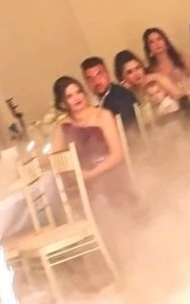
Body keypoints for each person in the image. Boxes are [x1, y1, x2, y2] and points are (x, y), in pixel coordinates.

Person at [50, 78, 139, 214]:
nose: (76, 98)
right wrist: (75, 175)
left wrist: (92, 174)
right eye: (69, 96)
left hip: (109, 173)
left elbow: (118, 154)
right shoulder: (63, 126)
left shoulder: (103, 115)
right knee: (70, 199)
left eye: (78, 92)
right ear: (62, 103)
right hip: (84, 180)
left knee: (106, 192)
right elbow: (56, 161)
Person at [142, 27, 190, 121]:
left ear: (166, 42)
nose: (157, 43)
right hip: (172, 114)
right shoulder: (151, 73)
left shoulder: (182, 59)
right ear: (149, 49)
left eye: (159, 39)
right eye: (151, 42)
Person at [81, 56, 140, 137]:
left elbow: (128, 133)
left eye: (99, 74)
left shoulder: (120, 97)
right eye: (90, 79)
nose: (96, 81)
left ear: (108, 74)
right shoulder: (104, 99)